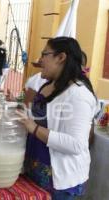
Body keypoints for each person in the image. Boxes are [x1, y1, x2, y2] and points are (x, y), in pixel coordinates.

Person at [16, 37, 97, 199]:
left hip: (57, 178)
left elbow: (76, 144)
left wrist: (34, 128)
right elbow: (40, 117)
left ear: (61, 58)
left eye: (44, 54)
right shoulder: (48, 85)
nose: (40, 60)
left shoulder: (78, 94)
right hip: (33, 169)